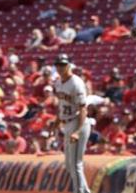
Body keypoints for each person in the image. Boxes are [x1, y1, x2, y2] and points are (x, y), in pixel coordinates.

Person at [53, 54, 91, 193]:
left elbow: (83, 109)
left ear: (69, 65)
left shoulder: (76, 83)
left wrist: (77, 131)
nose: (60, 67)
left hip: (78, 122)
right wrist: (57, 122)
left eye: (63, 64)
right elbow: (61, 105)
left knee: (76, 164)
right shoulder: (58, 83)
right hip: (67, 122)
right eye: (58, 65)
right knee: (69, 165)